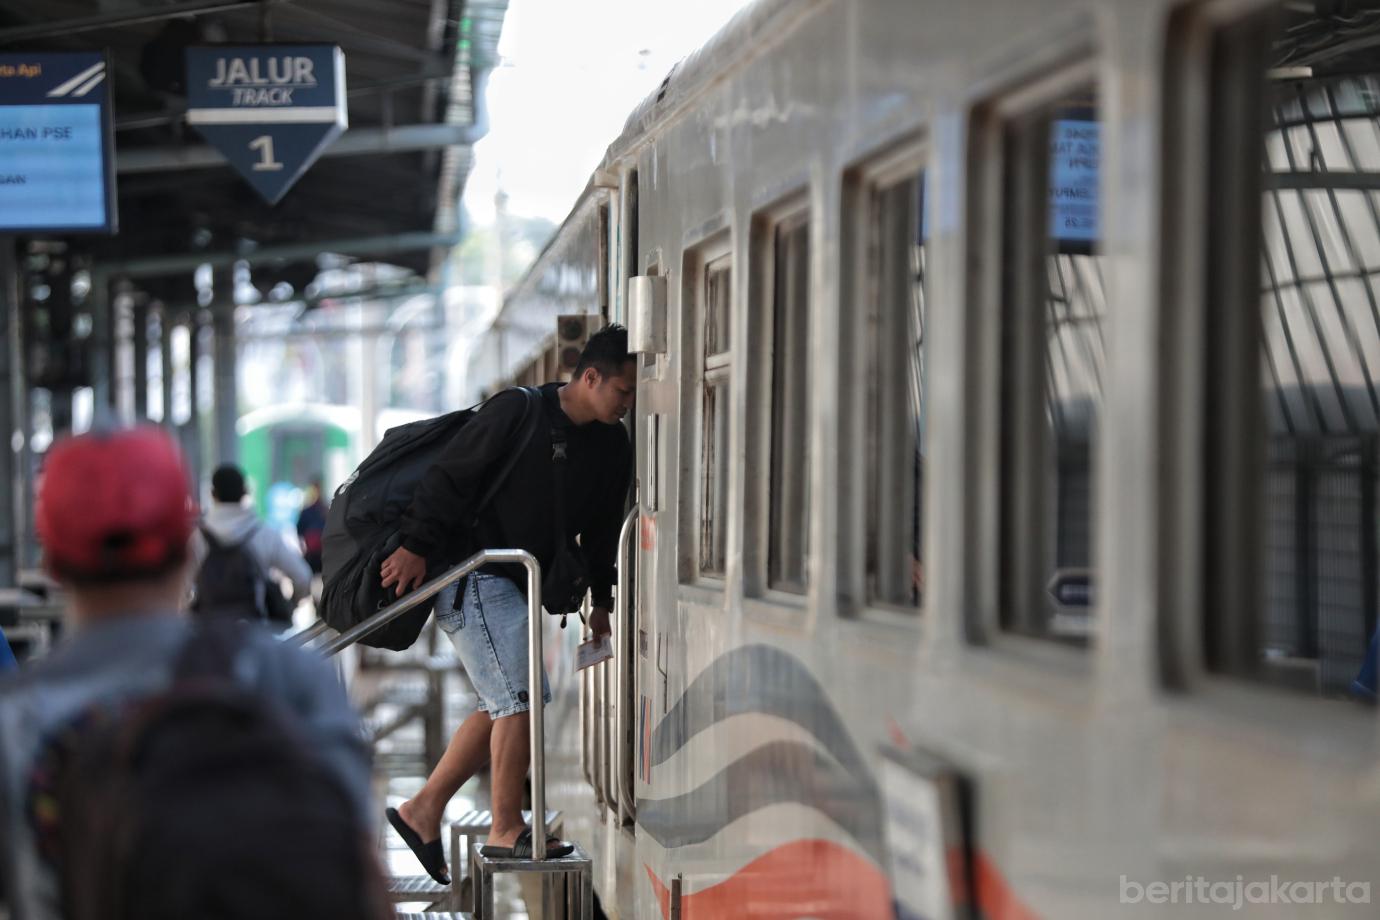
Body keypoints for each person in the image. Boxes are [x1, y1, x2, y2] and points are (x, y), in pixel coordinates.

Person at [0, 427, 378, 920]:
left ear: (52, 563)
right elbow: (354, 858)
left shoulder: (18, 720)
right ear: (183, 547)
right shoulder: (289, 677)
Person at [380, 323, 634, 880]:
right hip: (471, 572)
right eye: (622, 391)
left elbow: (602, 527)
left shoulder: (613, 444)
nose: (627, 403)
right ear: (590, 377)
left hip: (515, 582)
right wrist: (416, 546)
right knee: (518, 698)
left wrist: (601, 600)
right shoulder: (517, 411)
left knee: (507, 698)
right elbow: (450, 478)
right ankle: (504, 828)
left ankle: (421, 811)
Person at [191, 464, 312, 624]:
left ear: (213, 493)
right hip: (254, 629)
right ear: (245, 492)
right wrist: (289, 605)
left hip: (207, 632)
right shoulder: (263, 533)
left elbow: (180, 589)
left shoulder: (197, 537)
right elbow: (303, 577)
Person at [296, 476, 329, 576]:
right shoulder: (306, 512)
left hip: (324, 554)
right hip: (311, 554)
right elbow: (300, 532)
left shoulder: (326, 510)